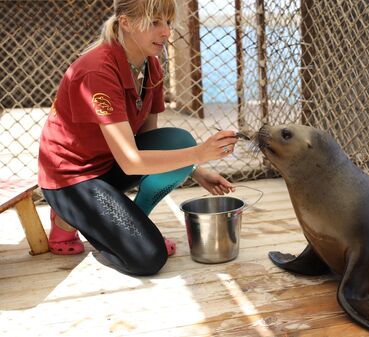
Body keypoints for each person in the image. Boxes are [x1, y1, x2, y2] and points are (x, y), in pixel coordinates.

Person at [37, 0, 238, 276]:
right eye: (155, 22)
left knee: (179, 140)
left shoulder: (151, 66)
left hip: (109, 163)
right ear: (126, 22)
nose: (166, 32)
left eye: (168, 22)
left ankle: (133, 224)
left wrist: (195, 169)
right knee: (148, 258)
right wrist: (199, 154)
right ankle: (70, 216)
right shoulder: (98, 70)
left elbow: (150, 138)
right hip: (72, 178)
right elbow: (132, 162)